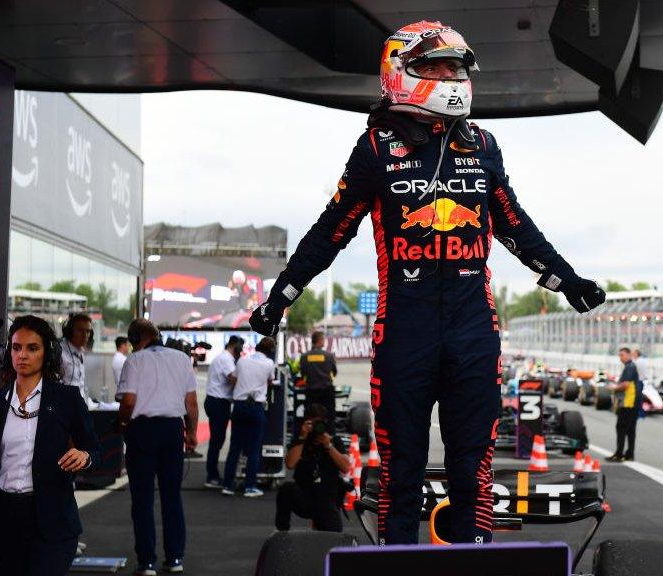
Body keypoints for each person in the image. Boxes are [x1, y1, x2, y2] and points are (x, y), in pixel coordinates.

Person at [248, 21, 605, 545]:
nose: (451, 76)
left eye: (456, 66)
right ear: (402, 71)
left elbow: (512, 222)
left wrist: (566, 278)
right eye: (437, 67)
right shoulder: (375, 147)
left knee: (472, 469)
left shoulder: (483, 144)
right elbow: (332, 230)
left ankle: (473, 559)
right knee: (401, 471)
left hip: (473, 330)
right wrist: (282, 294)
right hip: (405, 333)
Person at [0, 315, 100, 576]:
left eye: (32, 348)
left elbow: (94, 450)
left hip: (53, 519)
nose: (22, 355)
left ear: (47, 353)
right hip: (2, 519)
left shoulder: (66, 399)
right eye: (16, 347)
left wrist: (84, 456)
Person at [117, 319, 198, 575]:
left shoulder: (135, 360)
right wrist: (192, 433)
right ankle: (175, 558)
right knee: (171, 496)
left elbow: (128, 401)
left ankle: (147, 562)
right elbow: (192, 402)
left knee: (142, 498)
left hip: (142, 431)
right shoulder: (182, 359)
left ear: (136, 339)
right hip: (172, 430)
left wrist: (122, 422)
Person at [275, 404, 352, 532]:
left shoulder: (334, 441)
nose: (316, 428)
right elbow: (290, 464)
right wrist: (302, 437)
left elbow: (345, 467)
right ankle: (281, 531)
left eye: (319, 423)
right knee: (286, 489)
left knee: (333, 538)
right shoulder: (300, 441)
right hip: (305, 496)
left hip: (326, 499)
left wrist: (328, 446)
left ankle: (319, 523)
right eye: (313, 423)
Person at [222, 336, 276, 498]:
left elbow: (235, 378)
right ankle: (250, 486)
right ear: (270, 351)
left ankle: (228, 485)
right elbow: (270, 381)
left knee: (234, 448)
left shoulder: (242, 361)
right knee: (253, 450)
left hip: (239, 406)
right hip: (255, 407)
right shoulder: (269, 364)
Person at [203, 336, 243, 489]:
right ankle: (211, 476)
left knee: (217, 440)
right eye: (240, 347)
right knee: (216, 441)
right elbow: (233, 379)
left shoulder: (224, 357)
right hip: (218, 401)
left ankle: (212, 474)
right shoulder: (226, 359)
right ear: (234, 345)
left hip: (217, 401)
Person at [606, 348, 642, 462]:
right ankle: (630, 454)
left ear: (628, 355)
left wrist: (614, 387)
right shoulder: (631, 367)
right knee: (631, 429)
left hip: (628, 402)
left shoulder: (629, 367)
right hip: (634, 402)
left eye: (622, 355)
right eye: (619, 355)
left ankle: (619, 454)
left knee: (621, 427)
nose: (620, 358)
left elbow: (625, 385)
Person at [299, 330, 338, 417]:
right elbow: (334, 372)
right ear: (320, 341)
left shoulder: (304, 357)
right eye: (323, 339)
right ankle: (329, 430)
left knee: (310, 415)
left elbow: (303, 374)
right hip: (326, 391)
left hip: (311, 391)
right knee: (330, 416)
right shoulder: (329, 356)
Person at [60, 312, 93, 405]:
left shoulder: (80, 352)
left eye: (88, 331)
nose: (85, 335)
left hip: (81, 405)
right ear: (69, 332)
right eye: (80, 330)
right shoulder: (60, 353)